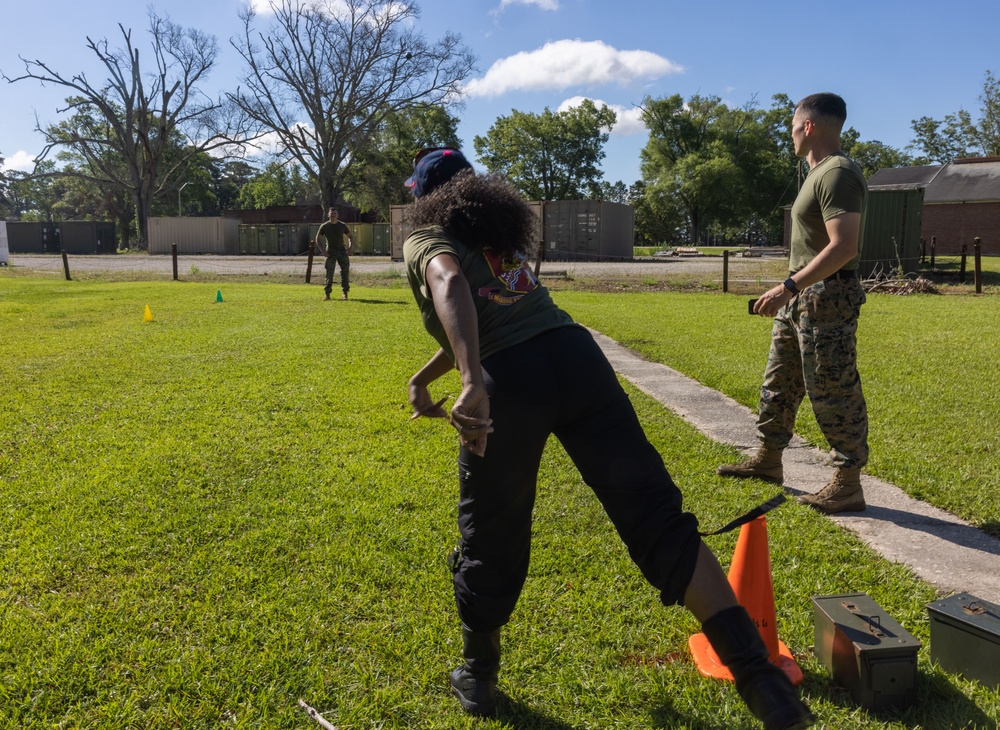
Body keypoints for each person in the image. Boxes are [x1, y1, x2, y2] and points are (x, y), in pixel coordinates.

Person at [402, 147, 814, 730]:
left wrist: (471, 381)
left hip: (509, 383)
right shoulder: (500, 240)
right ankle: (762, 682)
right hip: (577, 361)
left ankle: (478, 676)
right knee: (656, 516)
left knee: (492, 528)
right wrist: (426, 379)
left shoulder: (428, 239)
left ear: (426, 196)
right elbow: (494, 313)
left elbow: (449, 285)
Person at [719, 93, 869, 515]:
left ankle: (848, 483)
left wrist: (789, 285)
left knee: (832, 387)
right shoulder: (816, 173)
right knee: (779, 382)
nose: (790, 136)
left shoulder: (838, 173)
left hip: (827, 298)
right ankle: (768, 461)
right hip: (803, 297)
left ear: (808, 126)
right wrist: (792, 291)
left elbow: (844, 247)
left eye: (791, 127)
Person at [315, 207, 354, 300]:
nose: (333, 215)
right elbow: (318, 239)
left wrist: (350, 248)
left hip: (341, 251)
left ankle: (345, 293)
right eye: (331, 213)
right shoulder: (324, 226)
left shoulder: (342, 225)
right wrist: (323, 251)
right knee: (329, 273)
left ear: (337, 215)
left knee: (345, 272)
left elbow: (350, 236)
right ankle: (327, 294)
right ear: (328, 215)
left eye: (335, 213)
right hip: (330, 252)